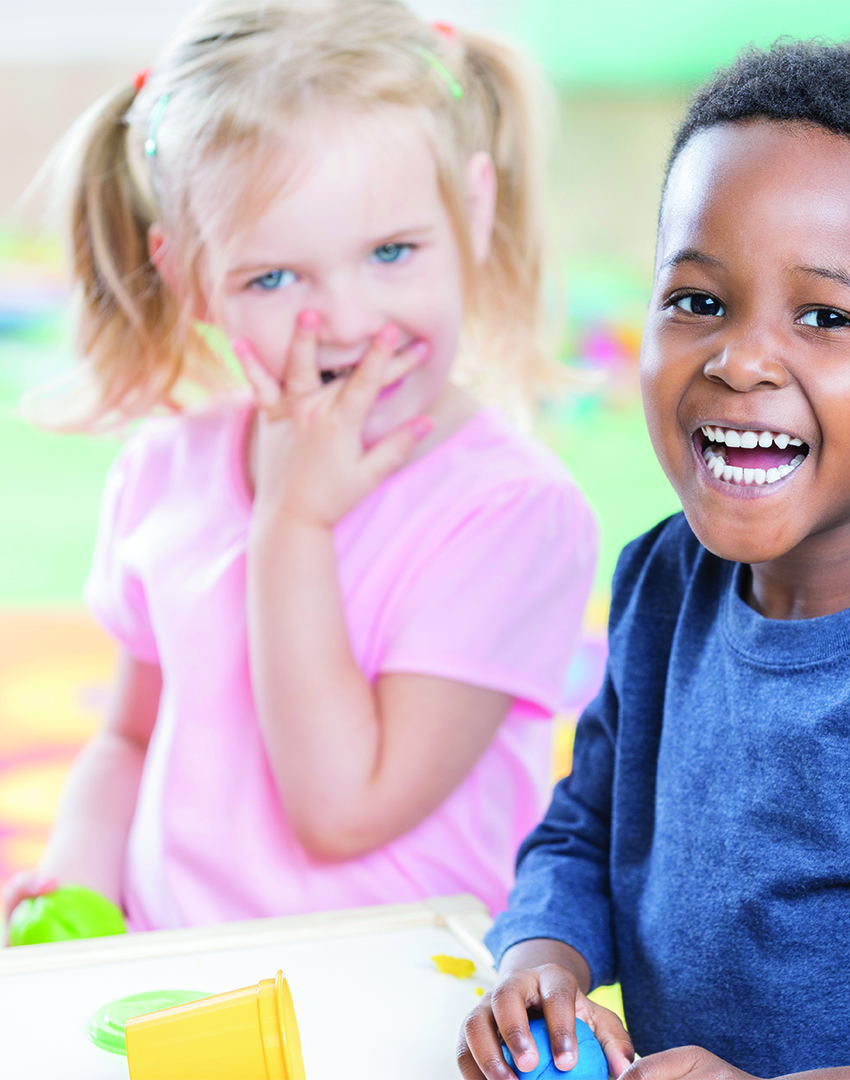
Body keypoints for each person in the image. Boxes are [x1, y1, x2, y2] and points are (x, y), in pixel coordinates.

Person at [458, 41, 850, 1080]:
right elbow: (587, 827)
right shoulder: (665, 581)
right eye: (698, 300)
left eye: (827, 317)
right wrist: (543, 961)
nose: (740, 359)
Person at [2, 0, 596, 935]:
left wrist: (293, 523)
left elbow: (343, 812)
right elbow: (127, 734)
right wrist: (77, 885)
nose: (350, 321)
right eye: (274, 278)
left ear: (473, 211)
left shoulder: (512, 513)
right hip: (173, 988)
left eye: (392, 252)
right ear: (188, 276)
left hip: (400, 1005)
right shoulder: (166, 471)